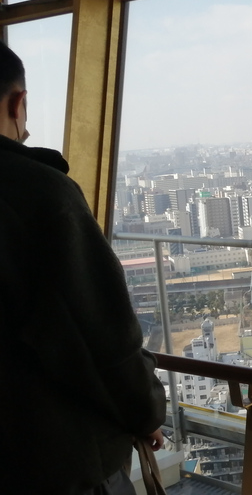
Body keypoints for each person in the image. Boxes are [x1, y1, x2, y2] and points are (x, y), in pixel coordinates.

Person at [0, 42, 166, 493]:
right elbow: (100, 334)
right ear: (18, 103)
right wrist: (145, 410)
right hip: (51, 459)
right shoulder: (36, 194)